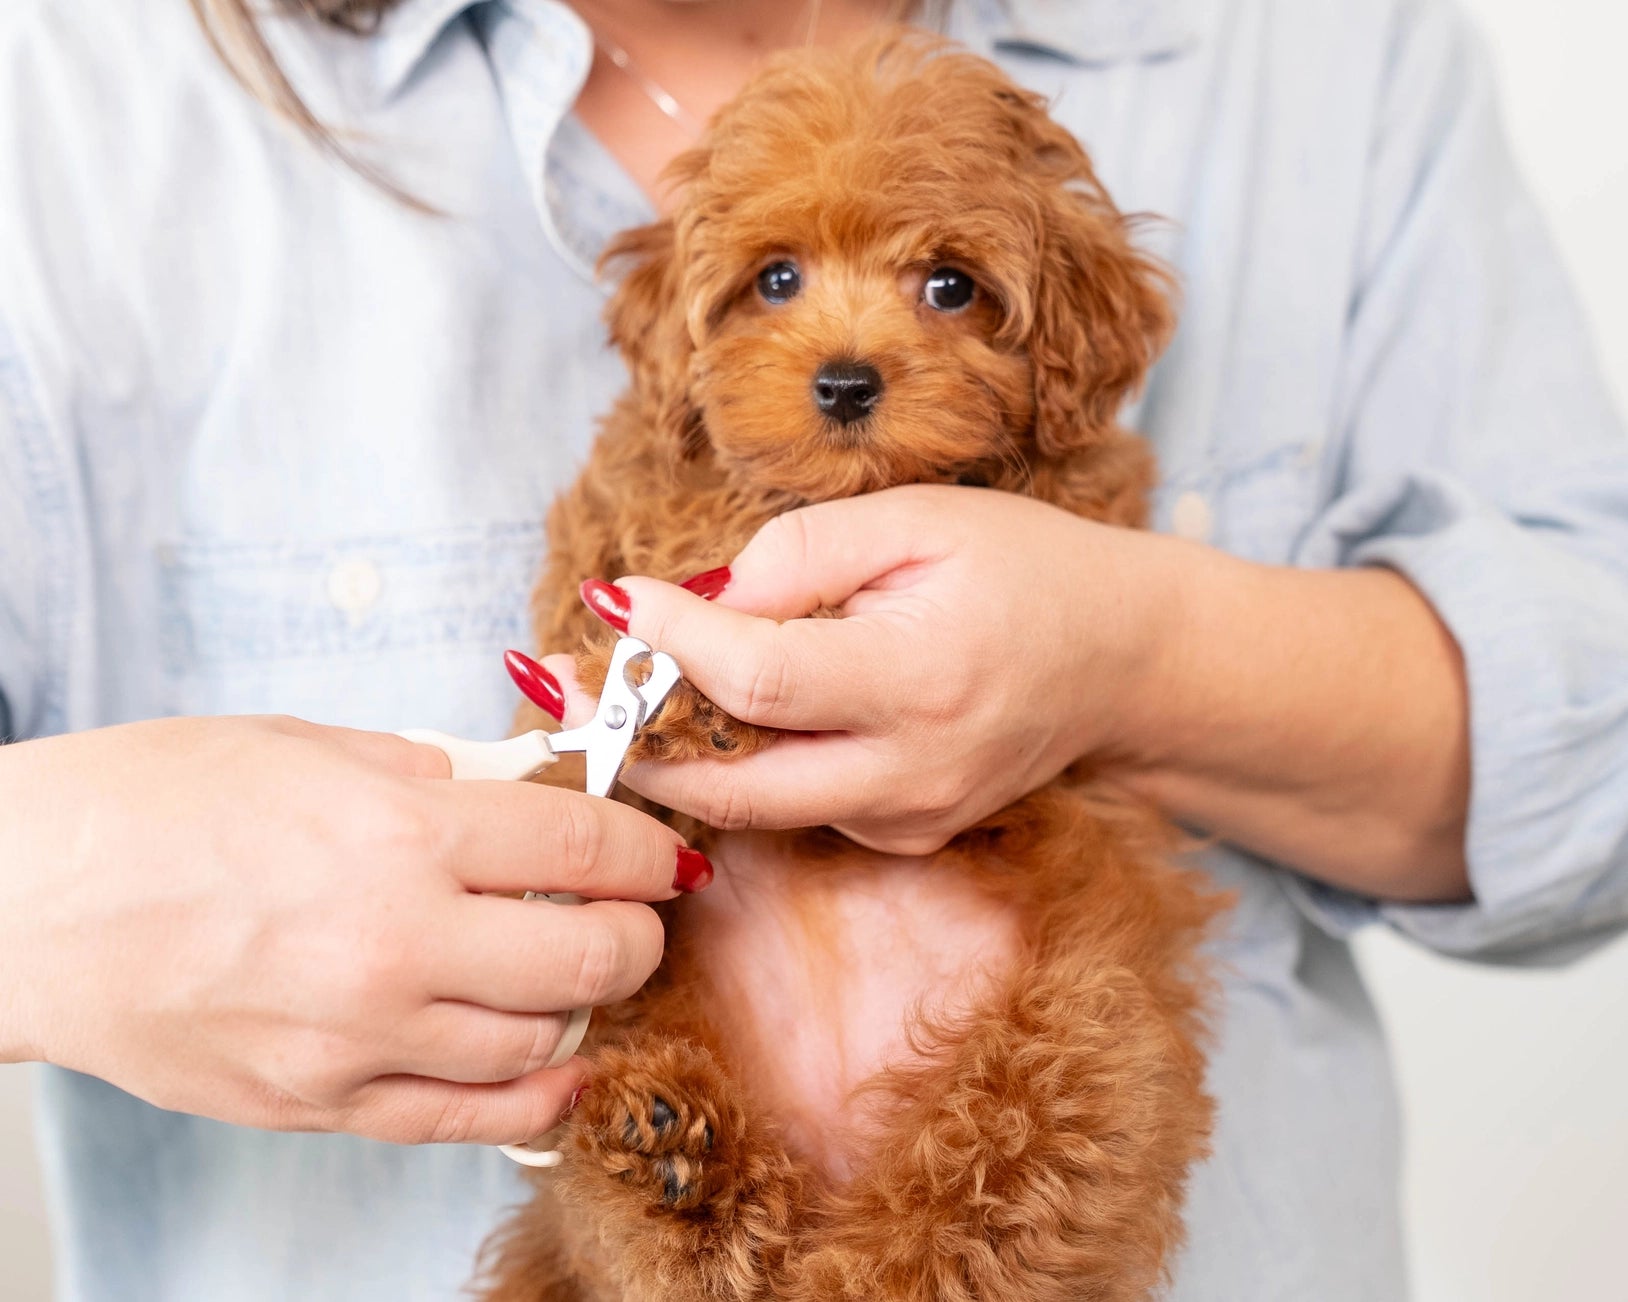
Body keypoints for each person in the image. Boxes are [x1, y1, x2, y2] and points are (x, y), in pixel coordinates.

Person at [0, 0, 1623, 1298]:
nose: (846, 353)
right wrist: (58, 884)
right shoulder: (70, 101)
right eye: (774, 281)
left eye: (944, 285)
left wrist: (1140, 656)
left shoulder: (1325, 49)